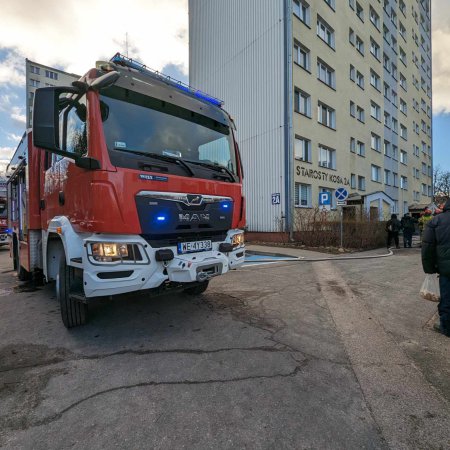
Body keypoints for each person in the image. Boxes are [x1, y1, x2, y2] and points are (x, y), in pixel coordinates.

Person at [421, 199, 450, 337]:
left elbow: (427, 247)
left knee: (447, 298)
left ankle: (447, 327)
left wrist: (429, 269)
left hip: (446, 269)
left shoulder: (436, 221)